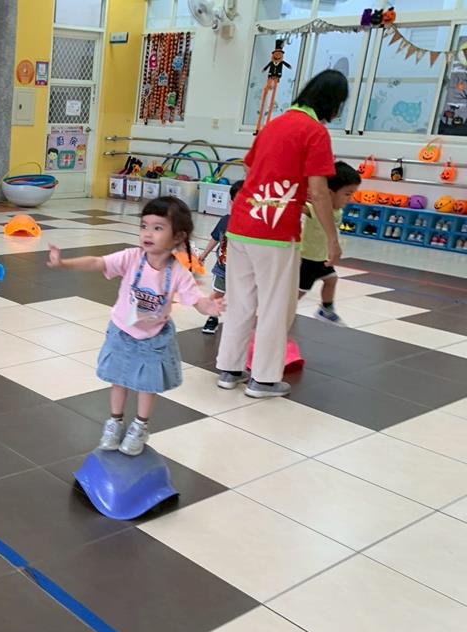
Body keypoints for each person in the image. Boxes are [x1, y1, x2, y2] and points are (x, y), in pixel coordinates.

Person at [47, 197, 224, 456]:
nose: (147, 233)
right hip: (122, 330)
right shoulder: (132, 257)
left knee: (147, 385)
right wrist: (64, 264)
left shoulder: (178, 272)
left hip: (154, 338)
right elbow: (98, 263)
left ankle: (140, 426)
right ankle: (114, 422)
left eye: (158, 228)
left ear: (178, 236)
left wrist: (209, 306)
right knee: (118, 379)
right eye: (144, 226)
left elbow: (196, 300)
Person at [216, 69, 347, 399]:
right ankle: (263, 379)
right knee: (276, 306)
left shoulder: (275, 124)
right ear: (333, 103)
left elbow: (249, 167)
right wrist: (332, 239)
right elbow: (320, 192)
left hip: (241, 223)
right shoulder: (315, 132)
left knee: (240, 301)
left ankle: (229, 370)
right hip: (275, 233)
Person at [299, 161, 360, 325]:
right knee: (299, 292)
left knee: (331, 279)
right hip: (307, 259)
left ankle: (326, 310)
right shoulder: (313, 208)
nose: (350, 198)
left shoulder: (337, 210)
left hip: (321, 258)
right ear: (329, 193)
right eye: (347, 194)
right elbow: (298, 206)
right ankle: (281, 311)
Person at [197, 180, 244, 335]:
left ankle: (241, 321)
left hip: (244, 271)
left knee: (243, 297)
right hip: (223, 268)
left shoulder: (254, 226)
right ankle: (212, 317)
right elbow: (215, 238)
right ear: (231, 203)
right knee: (217, 293)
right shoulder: (225, 221)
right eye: (239, 201)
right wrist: (204, 254)